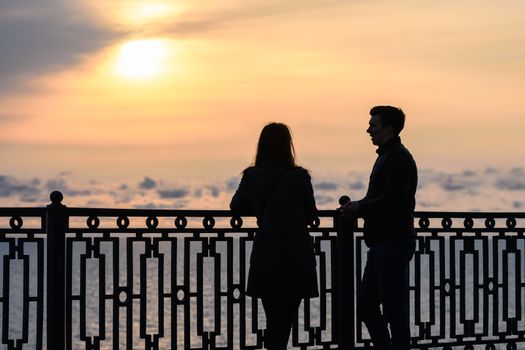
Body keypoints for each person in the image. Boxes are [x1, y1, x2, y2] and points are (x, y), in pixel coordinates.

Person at [230, 122, 319, 350]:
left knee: (272, 320)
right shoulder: (299, 176)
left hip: (267, 253)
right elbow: (311, 213)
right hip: (296, 255)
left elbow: (236, 206)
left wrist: (262, 209)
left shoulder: (251, 176)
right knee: (286, 320)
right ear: (287, 145)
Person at [340, 106, 417, 350]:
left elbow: (393, 199)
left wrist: (360, 209)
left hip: (392, 243)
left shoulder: (397, 157)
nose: (368, 129)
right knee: (368, 306)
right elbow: (383, 196)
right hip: (383, 243)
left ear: (389, 129)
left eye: (373, 125)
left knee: (393, 311)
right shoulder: (388, 156)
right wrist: (360, 205)